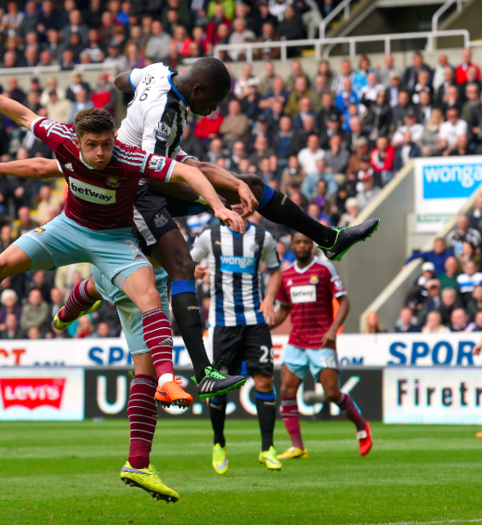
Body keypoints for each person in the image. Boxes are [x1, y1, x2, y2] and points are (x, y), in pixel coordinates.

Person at [0, 62, 245, 406]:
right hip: (68, 228)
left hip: (114, 240)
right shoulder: (61, 138)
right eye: (93, 145)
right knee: (0, 264)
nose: (101, 153)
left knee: (149, 297)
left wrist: (217, 207)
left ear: (114, 138)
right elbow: (23, 117)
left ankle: (166, 379)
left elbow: (185, 172)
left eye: (107, 143)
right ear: (77, 141)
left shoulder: (130, 158)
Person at [109, 57, 379, 394]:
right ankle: (203, 371)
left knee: (247, 183)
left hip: (162, 169)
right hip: (135, 189)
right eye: (215, 100)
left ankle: (329, 238)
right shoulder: (164, 111)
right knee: (181, 264)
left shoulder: (158, 73)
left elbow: (122, 79)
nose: (215, 109)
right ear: (197, 89)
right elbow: (154, 176)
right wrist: (211, 201)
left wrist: (130, 108)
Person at [190, 206, 283, 474]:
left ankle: (268, 449)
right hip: (223, 324)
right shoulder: (210, 236)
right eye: (231, 203)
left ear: (249, 206)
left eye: (241, 203)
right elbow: (186, 262)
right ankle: (219, 444)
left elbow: (275, 270)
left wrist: (269, 298)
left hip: (255, 321)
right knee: (219, 387)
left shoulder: (263, 237)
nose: (237, 208)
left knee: (264, 380)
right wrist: (193, 269)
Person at [272, 233, 373, 459]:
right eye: (297, 242)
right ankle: (297, 446)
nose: (301, 246)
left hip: (322, 340)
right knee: (287, 390)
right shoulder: (286, 275)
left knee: (331, 393)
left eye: (306, 241)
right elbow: (284, 310)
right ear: (292, 245)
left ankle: (361, 426)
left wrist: (333, 329)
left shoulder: (325, 269)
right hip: (296, 341)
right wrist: (266, 326)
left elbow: (344, 302)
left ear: (312, 244)